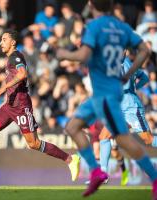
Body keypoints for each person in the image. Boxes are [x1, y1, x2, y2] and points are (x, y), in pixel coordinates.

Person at [56, 0, 157, 197]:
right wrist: (131, 77)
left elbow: (85, 54)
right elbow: (144, 54)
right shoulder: (122, 29)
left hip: (125, 102)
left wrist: (64, 53)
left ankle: (152, 178)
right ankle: (100, 174)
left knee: (146, 139)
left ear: (93, 6)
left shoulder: (95, 26)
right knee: (98, 135)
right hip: (109, 98)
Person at [0, 29, 80, 185]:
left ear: (13, 42)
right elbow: (13, 79)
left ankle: (70, 159)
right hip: (9, 106)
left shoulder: (16, 56)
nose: (0, 42)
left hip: (21, 106)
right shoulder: (10, 58)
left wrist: (4, 88)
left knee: (33, 144)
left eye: (4, 39)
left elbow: (22, 74)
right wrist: (6, 97)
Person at [99, 53, 157, 186]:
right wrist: (135, 87)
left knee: (148, 139)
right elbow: (145, 77)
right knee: (104, 136)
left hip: (130, 106)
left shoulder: (122, 64)